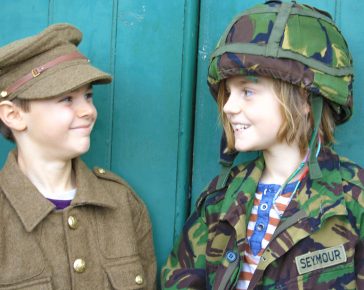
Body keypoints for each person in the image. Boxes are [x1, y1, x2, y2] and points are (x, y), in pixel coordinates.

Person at [161, 1, 364, 289]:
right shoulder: (220, 198)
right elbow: (178, 278)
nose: (229, 107)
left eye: (247, 91)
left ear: (305, 99)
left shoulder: (353, 198)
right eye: (228, 93)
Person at [0, 23, 156, 289]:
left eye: (88, 96)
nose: (88, 111)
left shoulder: (122, 202)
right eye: (66, 99)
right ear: (13, 115)